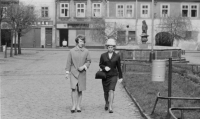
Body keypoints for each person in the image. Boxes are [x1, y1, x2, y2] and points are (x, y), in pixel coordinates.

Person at [65, 35, 91, 113]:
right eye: (80, 41)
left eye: (83, 41)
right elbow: (68, 62)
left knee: (80, 90)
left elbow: (88, 61)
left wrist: (84, 66)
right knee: (74, 89)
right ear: (77, 42)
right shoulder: (71, 51)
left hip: (82, 73)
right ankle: (73, 105)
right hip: (73, 72)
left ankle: (78, 106)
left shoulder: (86, 51)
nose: (82, 43)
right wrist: (67, 73)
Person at [99, 38, 123, 113]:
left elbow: (119, 67)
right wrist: (104, 67)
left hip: (113, 75)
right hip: (105, 76)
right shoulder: (103, 55)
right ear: (107, 47)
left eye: (112, 47)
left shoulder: (117, 56)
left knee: (111, 90)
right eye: (109, 47)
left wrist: (120, 77)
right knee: (106, 91)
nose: (110, 48)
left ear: (114, 47)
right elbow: (100, 64)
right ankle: (107, 102)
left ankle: (110, 107)